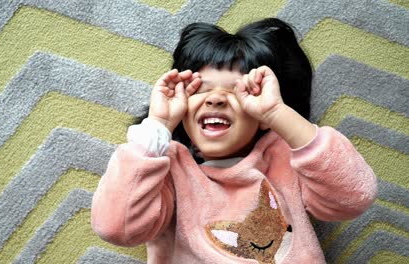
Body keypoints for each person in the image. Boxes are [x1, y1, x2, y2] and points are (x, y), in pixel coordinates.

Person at [90, 18, 377, 263]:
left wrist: (279, 114)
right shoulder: (168, 169)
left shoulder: (283, 159)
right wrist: (158, 126)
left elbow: (353, 197)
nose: (215, 98)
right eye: (200, 89)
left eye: (237, 91)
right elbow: (116, 228)